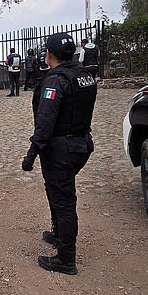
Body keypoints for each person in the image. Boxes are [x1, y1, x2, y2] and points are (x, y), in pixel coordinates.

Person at [22, 32, 97, 275]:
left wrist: (32, 153)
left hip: (60, 148)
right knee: (56, 189)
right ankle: (57, 234)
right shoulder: (84, 75)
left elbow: (45, 120)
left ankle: (66, 258)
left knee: (64, 200)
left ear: (49, 54)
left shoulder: (55, 81)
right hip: (80, 144)